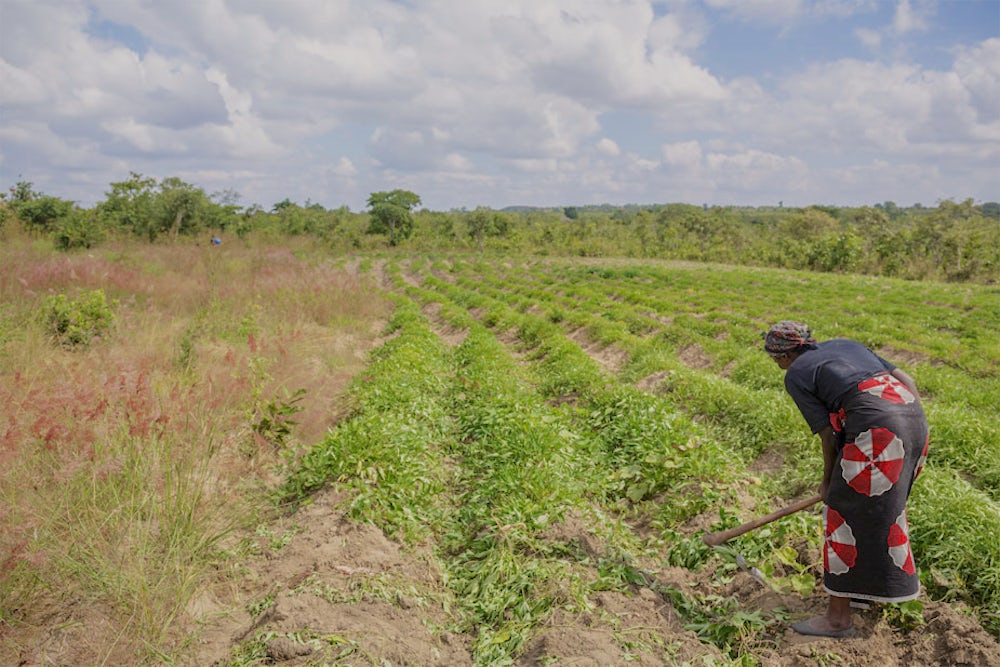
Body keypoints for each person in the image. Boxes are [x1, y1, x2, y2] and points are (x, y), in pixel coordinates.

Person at [764, 321, 930, 638]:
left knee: (842, 513)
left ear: (782, 356)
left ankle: (838, 618)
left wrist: (827, 483)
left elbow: (827, 434)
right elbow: (905, 379)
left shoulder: (796, 374)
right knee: (877, 512)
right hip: (914, 421)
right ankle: (862, 595)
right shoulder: (845, 344)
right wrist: (909, 421)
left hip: (877, 429)